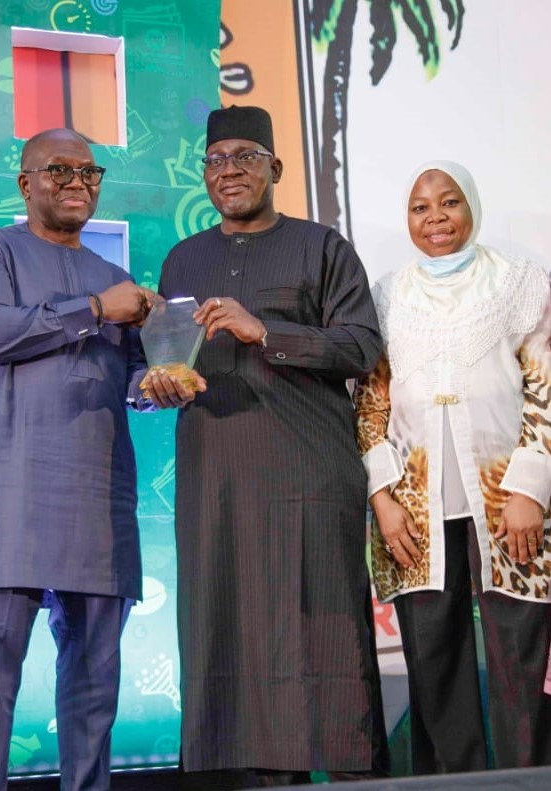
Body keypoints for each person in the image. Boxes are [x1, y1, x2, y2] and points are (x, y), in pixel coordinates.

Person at [146, 105, 389, 787]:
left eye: (244, 157)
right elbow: (171, 357)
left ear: (274, 168)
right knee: (225, 624)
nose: (229, 170)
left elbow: (360, 345)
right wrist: (161, 384)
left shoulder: (320, 247)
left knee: (323, 626)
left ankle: (347, 770)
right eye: (216, 159)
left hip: (307, 472)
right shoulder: (183, 259)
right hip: (215, 473)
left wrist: (265, 331)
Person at [0, 128, 172, 791]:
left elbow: (132, 380)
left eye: (88, 171)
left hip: (98, 499)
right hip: (7, 495)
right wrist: (96, 310)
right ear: (26, 183)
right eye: (59, 170)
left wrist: (160, 382)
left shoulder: (117, 279)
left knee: (93, 691)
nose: (77, 182)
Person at [354, 160, 551, 773]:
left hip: (506, 499)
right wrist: (383, 498)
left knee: (520, 655)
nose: (435, 218)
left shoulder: (520, 281)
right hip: (412, 508)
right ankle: (451, 784)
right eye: (420, 207)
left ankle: (529, 779)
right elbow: (370, 402)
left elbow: (546, 387)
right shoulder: (386, 295)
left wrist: (531, 488)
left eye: (449, 202)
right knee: (434, 658)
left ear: (471, 207)